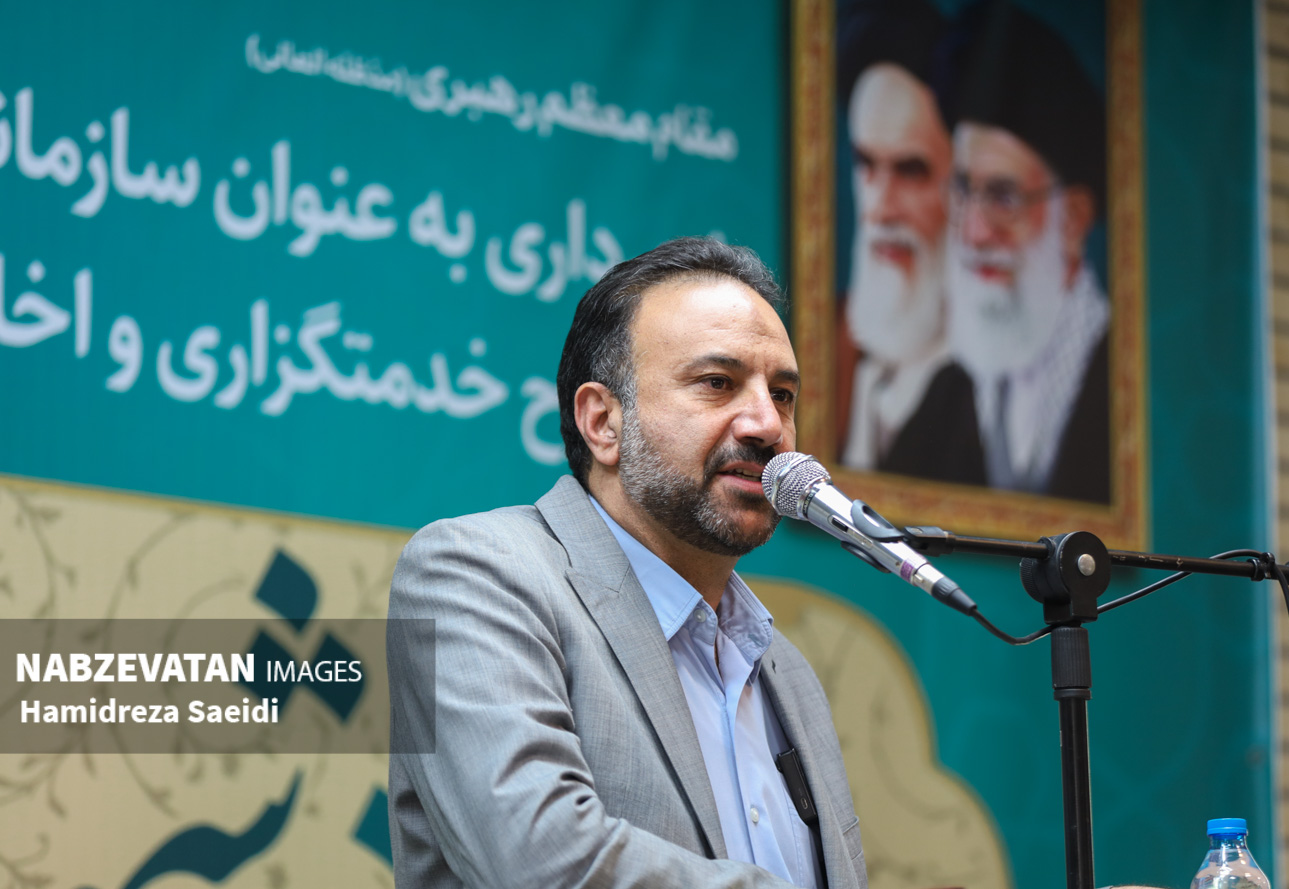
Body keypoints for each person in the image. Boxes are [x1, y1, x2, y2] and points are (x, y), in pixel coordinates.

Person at [387, 237, 868, 889]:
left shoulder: (788, 673)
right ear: (603, 421)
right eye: (717, 383)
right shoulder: (474, 575)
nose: (767, 425)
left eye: (782, 394)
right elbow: (541, 863)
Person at [886, 0, 1111, 503]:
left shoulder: (1124, 386)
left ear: (1073, 219)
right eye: (964, 190)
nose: (974, 232)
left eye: (1004, 196)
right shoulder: (948, 394)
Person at [836, 0, 953, 471]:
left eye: (911, 170)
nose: (880, 207)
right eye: (866, 164)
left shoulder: (999, 389)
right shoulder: (832, 338)